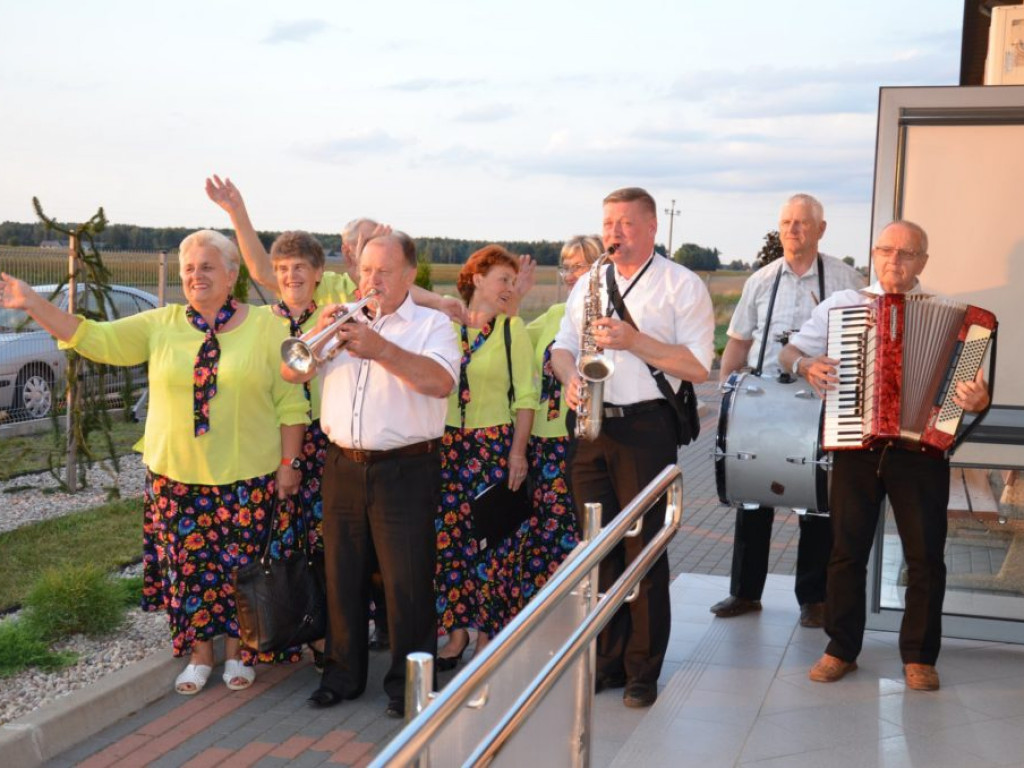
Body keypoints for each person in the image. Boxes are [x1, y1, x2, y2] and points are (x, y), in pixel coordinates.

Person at [0, 231, 309, 695]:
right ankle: (200, 657)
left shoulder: (266, 326)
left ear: (232, 274)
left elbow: (291, 403)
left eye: (206, 266)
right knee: (188, 572)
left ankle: (240, 654)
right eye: (188, 268)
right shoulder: (161, 323)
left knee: (242, 572)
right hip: (175, 476)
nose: (195, 275)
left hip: (247, 475)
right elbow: (94, 338)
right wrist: (32, 305)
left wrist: (290, 462)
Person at [779, 220, 991, 691]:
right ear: (874, 255)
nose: (896, 261)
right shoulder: (842, 307)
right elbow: (789, 353)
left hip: (919, 451)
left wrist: (978, 400)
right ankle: (841, 649)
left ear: (923, 261)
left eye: (908, 253)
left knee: (925, 557)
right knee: (846, 552)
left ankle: (919, 657)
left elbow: (971, 393)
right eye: (887, 251)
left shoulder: (955, 319)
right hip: (856, 446)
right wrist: (805, 364)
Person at [551, 187, 715, 708]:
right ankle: (608, 659)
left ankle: (643, 669)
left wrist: (634, 341)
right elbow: (562, 346)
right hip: (592, 427)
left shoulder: (681, 285)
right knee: (597, 550)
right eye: (607, 223)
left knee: (642, 551)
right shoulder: (591, 281)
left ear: (651, 228)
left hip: (646, 428)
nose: (613, 233)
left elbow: (696, 367)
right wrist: (570, 377)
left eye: (624, 223)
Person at [286, 233, 460, 718]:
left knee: (407, 583)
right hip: (342, 464)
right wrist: (319, 338)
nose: (371, 281)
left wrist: (380, 348)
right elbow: (292, 373)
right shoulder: (342, 321)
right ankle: (341, 676)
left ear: (410, 275)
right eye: (365, 271)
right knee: (342, 576)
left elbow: (440, 382)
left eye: (384, 271)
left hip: (405, 467)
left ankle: (410, 686)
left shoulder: (433, 326)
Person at [709, 194, 865, 628]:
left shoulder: (845, 279)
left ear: (821, 229)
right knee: (753, 495)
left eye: (802, 223)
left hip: (822, 398)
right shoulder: (760, 279)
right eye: (786, 223)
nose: (793, 230)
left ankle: (813, 598)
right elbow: (739, 340)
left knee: (817, 500)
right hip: (764, 399)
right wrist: (727, 394)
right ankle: (744, 592)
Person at [435, 245, 539, 671]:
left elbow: (527, 397)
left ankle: (487, 635)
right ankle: (455, 633)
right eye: (502, 280)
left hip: (493, 446)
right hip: (446, 445)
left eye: (513, 283)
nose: (509, 289)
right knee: (451, 542)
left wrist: (518, 452)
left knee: (493, 543)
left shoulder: (512, 329)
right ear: (476, 279)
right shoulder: (443, 325)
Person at [260, 230, 333, 668]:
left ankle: (326, 634)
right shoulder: (260, 322)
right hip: (280, 441)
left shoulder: (333, 317)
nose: (292, 277)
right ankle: (291, 630)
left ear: (318, 273)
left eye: (300, 268)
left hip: (325, 441)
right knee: (286, 542)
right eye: (284, 270)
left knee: (325, 543)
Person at [518, 235, 603, 606]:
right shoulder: (554, 316)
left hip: (581, 440)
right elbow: (510, 333)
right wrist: (516, 295)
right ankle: (544, 614)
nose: (570, 275)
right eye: (566, 267)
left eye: (579, 267)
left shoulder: (604, 319)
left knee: (576, 531)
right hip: (541, 443)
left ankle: (580, 610)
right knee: (540, 536)